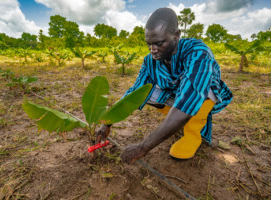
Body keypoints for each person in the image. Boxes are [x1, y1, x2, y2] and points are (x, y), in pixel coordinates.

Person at [97, 7, 233, 164]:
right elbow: (133, 94)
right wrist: (107, 123)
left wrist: (143, 147)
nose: (153, 50)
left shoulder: (198, 53)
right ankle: (176, 121)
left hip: (199, 95)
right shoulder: (150, 61)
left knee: (204, 89)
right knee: (144, 92)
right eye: (149, 44)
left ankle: (192, 133)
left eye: (159, 43)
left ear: (176, 35)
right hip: (176, 94)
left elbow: (189, 99)